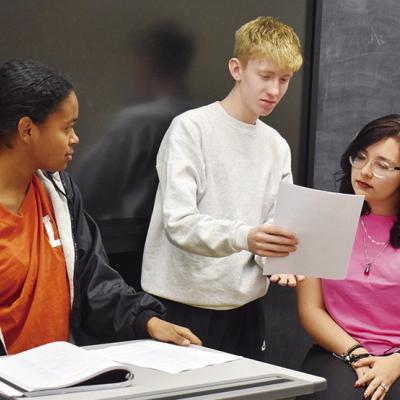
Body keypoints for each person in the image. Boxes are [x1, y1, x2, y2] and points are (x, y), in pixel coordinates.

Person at [0, 59, 201, 355]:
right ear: (27, 130)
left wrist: (146, 320)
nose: (75, 139)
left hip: (58, 380)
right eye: (67, 127)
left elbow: (93, 280)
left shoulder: (61, 193)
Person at [141, 16, 304, 361]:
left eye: (285, 79)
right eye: (265, 76)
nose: (275, 90)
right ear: (236, 68)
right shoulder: (191, 129)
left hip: (246, 310)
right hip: (182, 308)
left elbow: (273, 225)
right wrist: (247, 237)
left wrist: (277, 258)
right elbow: (179, 222)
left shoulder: (277, 145)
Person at [75, 21, 197, 289]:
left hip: (126, 255)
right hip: (190, 261)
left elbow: (85, 190)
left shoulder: (138, 122)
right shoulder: (202, 117)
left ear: (146, 62)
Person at [296, 114, 400, 399]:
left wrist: (395, 363)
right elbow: (310, 309)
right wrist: (355, 354)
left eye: (382, 165)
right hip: (340, 349)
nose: (365, 171)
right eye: (361, 157)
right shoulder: (324, 220)